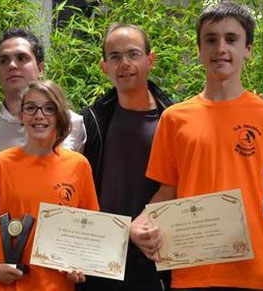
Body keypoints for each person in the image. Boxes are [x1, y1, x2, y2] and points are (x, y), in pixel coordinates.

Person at [130, 3, 263, 290]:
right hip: (191, 269)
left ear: (248, 49)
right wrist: (139, 223)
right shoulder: (174, 119)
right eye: (211, 39)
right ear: (199, 50)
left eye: (231, 39)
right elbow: (168, 191)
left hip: (253, 271)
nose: (221, 47)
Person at [0, 28, 86, 291]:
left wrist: (79, 259)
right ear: (22, 118)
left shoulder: (77, 129)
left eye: (21, 58)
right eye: (4, 60)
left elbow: (79, 212)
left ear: (40, 66)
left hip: (56, 279)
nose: (12, 66)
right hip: (3, 272)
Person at [81, 23, 174, 291]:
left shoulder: (175, 118)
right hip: (102, 254)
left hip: (156, 252)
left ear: (150, 60)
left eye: (133, 54)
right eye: (115, 57)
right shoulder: (91, 120)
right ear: (104, 67)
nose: (124, 64)